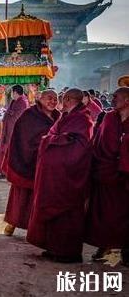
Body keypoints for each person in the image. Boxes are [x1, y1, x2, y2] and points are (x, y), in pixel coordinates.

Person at [27, 88, 94, 263]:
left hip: (69, 175)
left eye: (61, 99)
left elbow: (79, 147)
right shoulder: (66, 117)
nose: (59, 103)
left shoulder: (83, 119)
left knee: (67, 215)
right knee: (54, 211)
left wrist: (49, 140)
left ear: (69, 100)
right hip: (57, 174)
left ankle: (68, 253)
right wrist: (52, 139)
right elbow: (54, 135)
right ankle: (53, 248)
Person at [3, 90, 60, 236]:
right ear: (39, 99)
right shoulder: (29, 115)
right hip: (27, 159)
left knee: (41, 196)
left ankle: (36, 227)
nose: (53, 101)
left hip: (47, 162)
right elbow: (21, 137)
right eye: (49, 98)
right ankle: (13, 222)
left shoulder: (58, 117)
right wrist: (39, 146)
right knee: (21, 194)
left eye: (56, 99)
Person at [85, 87, 129, 262]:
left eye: (116, 97)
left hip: (125, 177)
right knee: (104, 213)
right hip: (106, 172)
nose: (112, 100)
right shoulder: (109, 118)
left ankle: (126, 251)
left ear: (127, 100)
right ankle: (104, 245)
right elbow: (98, 142)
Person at [0, 85, 29, 179]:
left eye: (12, 93)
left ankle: (9, 172)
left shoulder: (23, 102)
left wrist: (9, 114)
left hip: (14, 131)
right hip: (8, 130)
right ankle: (4, 171)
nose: (12, 95)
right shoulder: (15, 101)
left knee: (12, 151)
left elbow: (18, 116)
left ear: (15, 92)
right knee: (5, 151)